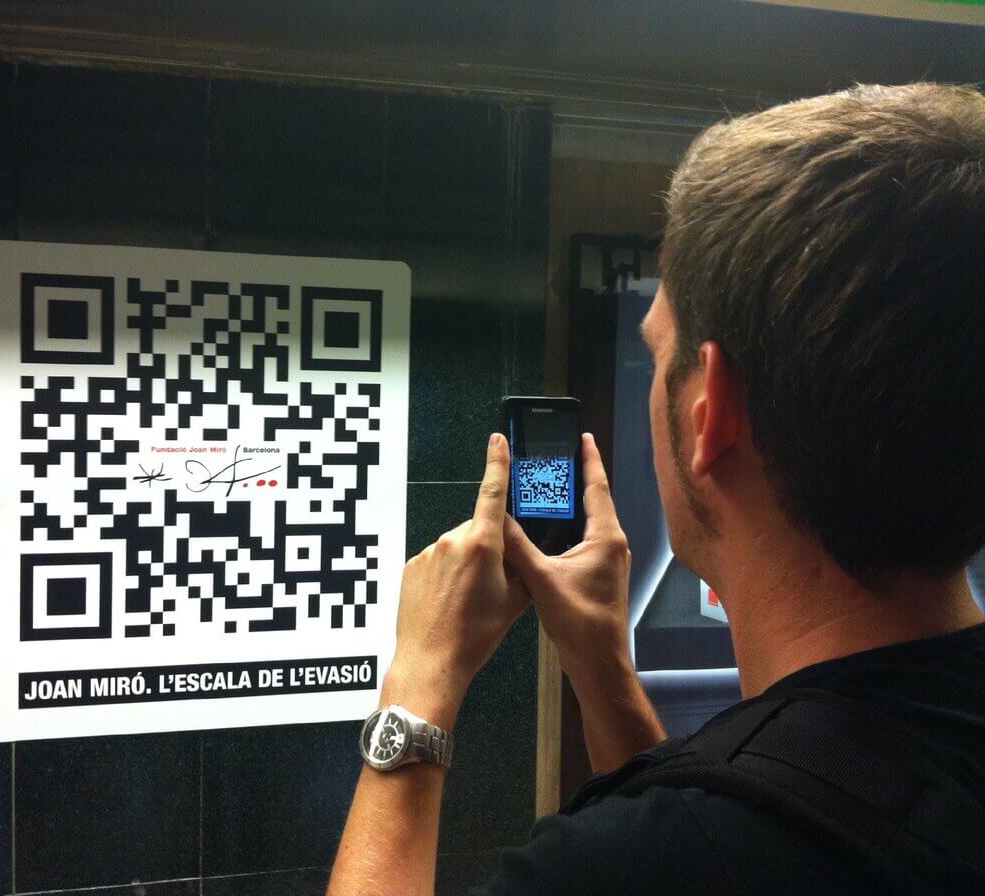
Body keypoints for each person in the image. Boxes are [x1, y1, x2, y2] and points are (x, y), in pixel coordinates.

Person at [327, 83, 985, 895]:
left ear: (711, 412)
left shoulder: (620, 865)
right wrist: (601, 663)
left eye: (657, 353)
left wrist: (417, 689)